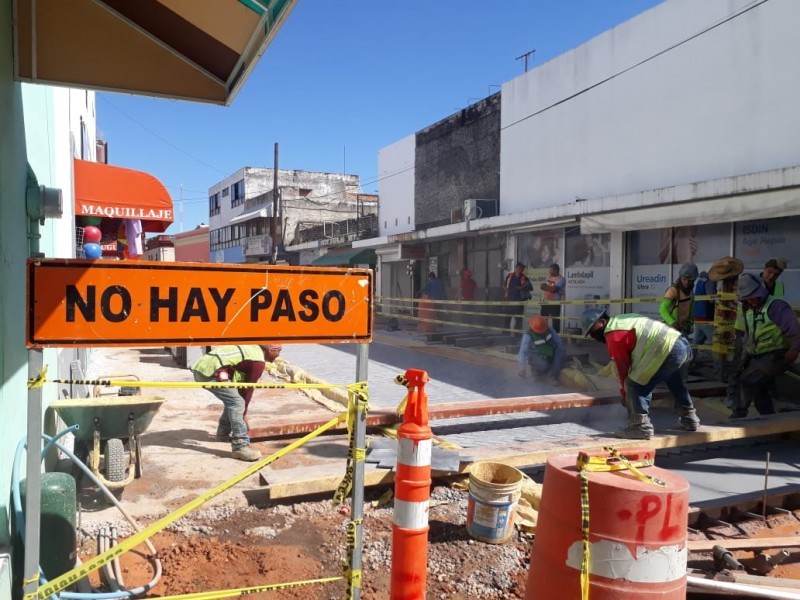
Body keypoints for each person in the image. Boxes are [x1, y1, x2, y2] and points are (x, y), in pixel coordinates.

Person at [581, 308, 700, 439]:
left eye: (592, 331)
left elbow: (623, 369)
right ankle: (689, 418)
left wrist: (625, 393)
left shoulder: (614, 336)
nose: (593, 336)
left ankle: (639, 427)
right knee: (674, 381)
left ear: (602, 322)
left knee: (635, 384)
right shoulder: (622, 320)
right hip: (682, 345)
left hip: (667, 350)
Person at [190, 344, 283, 461]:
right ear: (270, 349)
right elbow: (247, 390)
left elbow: (242, 386)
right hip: (209, 372)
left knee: (233, 400)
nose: (279, 355)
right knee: (237, 403)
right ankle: (240, 447)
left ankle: (222, 434)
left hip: (203, 368)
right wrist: (243, 415)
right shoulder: (258, 362)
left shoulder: (253, 350)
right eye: (278, 351)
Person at [731, 273, 800, 418]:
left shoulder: (776, 307)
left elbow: (795, 330)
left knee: (748, 380)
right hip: (759, 355)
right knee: (760, 391)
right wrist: (746, 357)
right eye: (747, 297)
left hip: (777, 354)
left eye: (753, 295)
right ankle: (769, 419)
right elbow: (750, 336)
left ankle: (738, 416)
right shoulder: (748, 309)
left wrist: (794, 350)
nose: (751, 300)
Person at [517, 315, 565, 387]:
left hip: (550, 351)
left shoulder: (549, 329)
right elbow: (522, 352)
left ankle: (551, 375)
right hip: (536, 355)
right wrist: (522, 368)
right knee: (543, 365)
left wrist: (559, 353)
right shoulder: (527, 335)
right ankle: (536, 371)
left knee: (561, 351)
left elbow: (558, 342)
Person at [659, 262, 698, 335]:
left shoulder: (690, 291)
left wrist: (689, 323)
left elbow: (690, 307)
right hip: (670, 330)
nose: (686, 282)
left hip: (682, 329)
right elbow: (662, 309)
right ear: (680, 277)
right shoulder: (673, 290)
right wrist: (673, 323)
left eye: (690, 280)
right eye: (684, 279)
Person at [504, 262, 533, 334]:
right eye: (519, 268)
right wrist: (506, 289)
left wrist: (522, 288)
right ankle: (505, 334)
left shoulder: (524, 278)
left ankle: (517, 335)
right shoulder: (509, 276)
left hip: (519, 302)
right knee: (507, 319)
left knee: (518, 320)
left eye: (522, 269)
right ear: (516, 268)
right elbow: (504, 285)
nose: (520, 270)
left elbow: (530, 288)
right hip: (509, 301)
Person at [539, 264, 565, 333]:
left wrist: (548, 287)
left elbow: (553, 289)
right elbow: (541, 286)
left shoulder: (561, 279)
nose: (549, 271)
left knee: (555, 321)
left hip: (555, 303)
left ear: (555, 270)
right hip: (546, 302)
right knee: (543, 320)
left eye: (551, 270)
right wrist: (550, 288)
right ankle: (543, 334)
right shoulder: (549, 277)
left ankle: (556, 337)